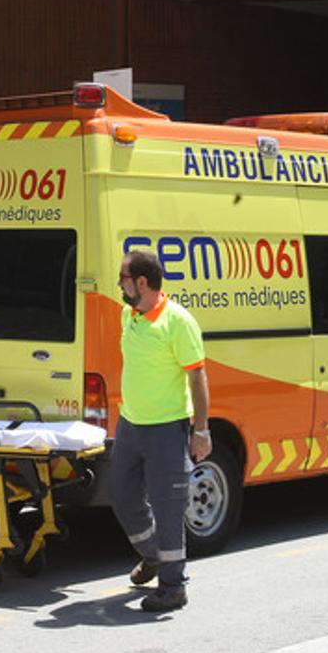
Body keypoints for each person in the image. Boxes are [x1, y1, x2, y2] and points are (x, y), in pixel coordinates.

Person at [110, 250, 211, 612]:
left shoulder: (178, 321)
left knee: (168, 508)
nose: (119, 283)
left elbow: (197, 376)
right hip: (130, 424)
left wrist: (201, 431)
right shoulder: (129, 315)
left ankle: (173, 587)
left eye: (123, 277)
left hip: (167, 429)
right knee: (121, 496)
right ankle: (154, 555)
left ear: (142, 282)